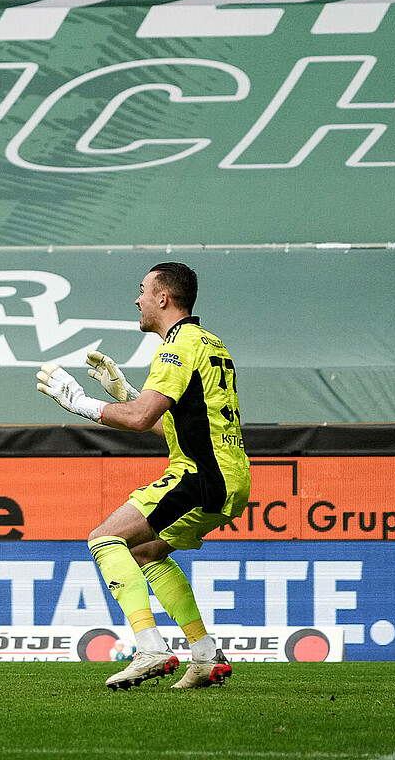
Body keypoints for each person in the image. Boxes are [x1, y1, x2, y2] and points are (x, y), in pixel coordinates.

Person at [36, 262, 249, 690]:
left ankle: (150, 647)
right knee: (147, 553)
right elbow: (168, 422)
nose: (137, 299)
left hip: (198, 474)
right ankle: (205, 655)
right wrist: (129, 394)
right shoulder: (209, 342)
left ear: (163, 298)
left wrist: (80, 403)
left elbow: (138, 421)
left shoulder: (176, 346)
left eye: (142, 290)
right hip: (231, 476)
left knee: (103, 538)